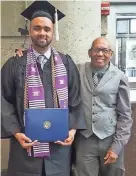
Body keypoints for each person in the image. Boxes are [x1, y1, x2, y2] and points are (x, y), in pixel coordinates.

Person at [1, 1, 86, 176]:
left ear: (53, 32)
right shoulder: (15, 64)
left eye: (47, 29)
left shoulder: (66, 63)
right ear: (30, 30)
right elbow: (3, 101)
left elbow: (76, 100)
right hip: (25, 148)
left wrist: (72, 130)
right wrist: (16, 133)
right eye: (37, 28)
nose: (42, 33)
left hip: (59, 148)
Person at [72, 37, 133, 176]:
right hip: (84, 139)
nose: (100, 54)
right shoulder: (77, 69)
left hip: (110, 138)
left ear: (110, 54)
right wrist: (24, 55)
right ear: (89, 52)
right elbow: (56, 67)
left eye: (105, 50)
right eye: (96, 50)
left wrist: (117, 147)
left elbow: (125, 115)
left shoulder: (120, 77)